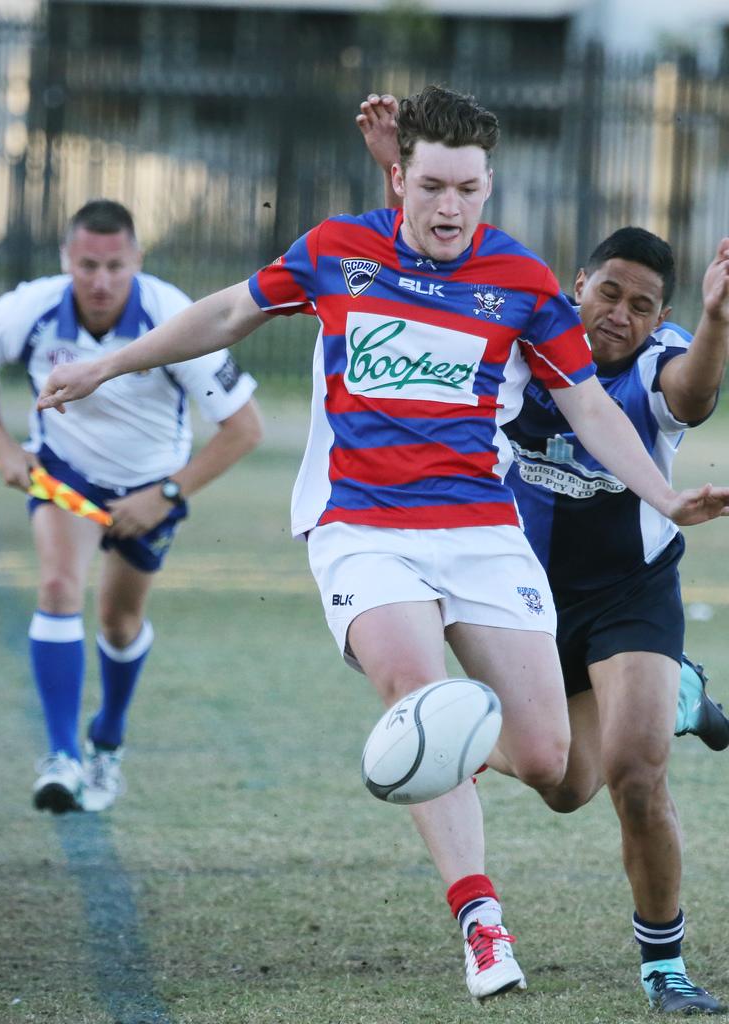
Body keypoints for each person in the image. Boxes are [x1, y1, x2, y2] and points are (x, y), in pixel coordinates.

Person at [35, 88, 729, 1006]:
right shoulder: (335, 251)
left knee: (556, 770)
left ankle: (661, 693)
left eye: (469, 189)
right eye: (433, 185)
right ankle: (481, 920)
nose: (451, 207)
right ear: (403, 178)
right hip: (363, 528)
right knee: (421, 699)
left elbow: (593, 408)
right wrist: (109, 362)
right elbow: (225, 314)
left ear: (489, 188)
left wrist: (665, 494)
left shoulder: (519, 282)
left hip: (483, 534)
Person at [356, 92, 729, 1013]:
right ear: (576, 286)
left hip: (631, 595)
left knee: (637, 778)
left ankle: (665, 968)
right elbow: (434, 249)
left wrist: (717, 319)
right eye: (609, 293)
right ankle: (684, 697)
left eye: (644, 306)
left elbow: (689, 395)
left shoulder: (659, 361)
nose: (621, 316)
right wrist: (391, 174)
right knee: (563, 785)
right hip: (519, 597)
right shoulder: (518, 337)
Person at [0, 199, 262, 815]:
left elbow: (244, 429)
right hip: (65, 475)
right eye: (87, 265)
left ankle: (108, 740)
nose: (100, 281)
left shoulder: (175, 318)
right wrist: (1, 447)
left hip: (150, 487)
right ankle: (61, 758)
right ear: (67, 259)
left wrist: (166, 494)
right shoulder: (30, 310)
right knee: (56, 587)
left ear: (137, 262)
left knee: (118, 623)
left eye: (114, 266)